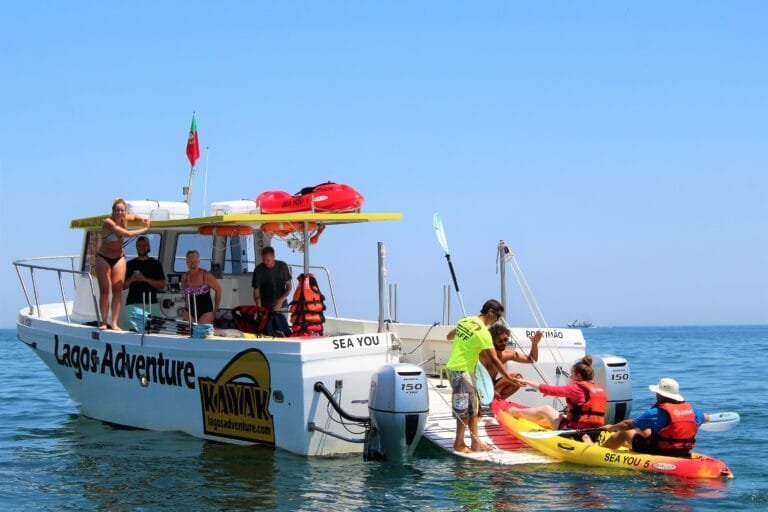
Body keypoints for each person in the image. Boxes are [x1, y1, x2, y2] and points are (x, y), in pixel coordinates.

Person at [445, 299, 521, 453]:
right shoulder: (483, 333)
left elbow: (449, 336)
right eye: (498, 317)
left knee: (473, 408)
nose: (497, 320)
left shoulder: (465, 320)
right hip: (461, 371)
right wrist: (509, 378)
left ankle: (475, 443)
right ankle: (459, 444)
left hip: (459, 370)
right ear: (491, 312)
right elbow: (494, 360)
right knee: (464, 410)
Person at [598, 377, 707, 457]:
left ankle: (600, 452)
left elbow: (627, 424)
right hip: (683, 451)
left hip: (659, 451)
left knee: (625, 432)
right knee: (643, 428)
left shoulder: (656, 413)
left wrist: (611, 427)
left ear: (659, 394)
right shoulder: (692, 412)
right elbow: (706, 418)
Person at [506, 356, 607, 434]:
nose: (571, 377)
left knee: (546, 409)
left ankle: (513, 411)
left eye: (572, 374)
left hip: (574, 431)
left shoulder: (576, 388)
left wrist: (525, 381)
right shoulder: (598, 389)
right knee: (558, 416)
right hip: (594, 432)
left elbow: (547, 389)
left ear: (579, 376)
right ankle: (532, 419)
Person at [94, 198, 150, 330]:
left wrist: (142, 219)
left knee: (117, 289)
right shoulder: (108, 222)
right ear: (112, 211)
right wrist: (144, 230)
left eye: (122, 210)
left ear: (125, 211)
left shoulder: (125, 218)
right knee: (105, 290)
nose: (119, 213)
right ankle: (104, 322)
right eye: (117, 210)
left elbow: (134, 217)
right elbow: (126, 233)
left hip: (119, 258)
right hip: (103, 258)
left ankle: (114, 323)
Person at [480, 325, 542, 399]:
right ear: (492, 341)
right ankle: (492, 398)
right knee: (511, 379)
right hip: (479, 386)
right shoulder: (484, 355)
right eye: (500, 341)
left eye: (506, 340)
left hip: (492, 384)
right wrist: (490, 391)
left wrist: (534, 343)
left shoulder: (507, 354)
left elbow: (532, 359)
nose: (504, 343)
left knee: (517, 377)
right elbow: (475, 376)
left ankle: (498, 401)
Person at [123, 236, 166, 328]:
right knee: (131, 332)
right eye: (139, 245)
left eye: (144, 245)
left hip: (151, 304)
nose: (141, 247)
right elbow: (123, 286)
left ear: (149, 247)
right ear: (136, 247)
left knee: (152, 332)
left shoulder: (155, 264)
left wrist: (145, 279)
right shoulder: (129, 264)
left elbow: (162, 285)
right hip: (132, 304)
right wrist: (131, 279)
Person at [181, 250, 222, 325]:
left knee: (201, 331)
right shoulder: (185, 277)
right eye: (190, 262)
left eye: (195, 261)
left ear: (199, 261)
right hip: (189, 311)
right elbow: (185, 294)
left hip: (205, 312)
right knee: (187, 331)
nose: (192, 265)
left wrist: (215, 309)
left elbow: (218, 290)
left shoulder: (206, 275)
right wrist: (185, 309)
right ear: (186, 262)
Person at [251, 246, 292, 311]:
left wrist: (281, 300)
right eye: (263, 260)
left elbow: (289, 287)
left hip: (282, 306)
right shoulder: (258, 270)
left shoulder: (282, 266)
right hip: (265, 308)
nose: (265, 262)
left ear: (273, 257)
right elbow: (256, 291)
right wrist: (259, 307)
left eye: (268, 260)